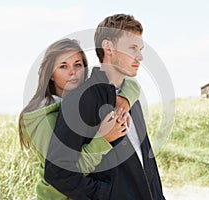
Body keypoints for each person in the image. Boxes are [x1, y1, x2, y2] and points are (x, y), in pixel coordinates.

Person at [44, 14, 165, 200]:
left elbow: (145, 162)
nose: (140, 56)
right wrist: (106, 194)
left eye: (140, 49)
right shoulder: (81, 100)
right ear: (108, 47)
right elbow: (57, 172)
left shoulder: (131, 99)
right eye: (132, 48)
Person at [18, 38, 141, 199]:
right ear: (51, 75)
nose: (73, 72)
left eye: (78, 64)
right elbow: (62, 172)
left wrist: (124, 99)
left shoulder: (83, 101)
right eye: (63, 66)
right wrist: (103, 140)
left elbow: (129, 80)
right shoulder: (42, 118)